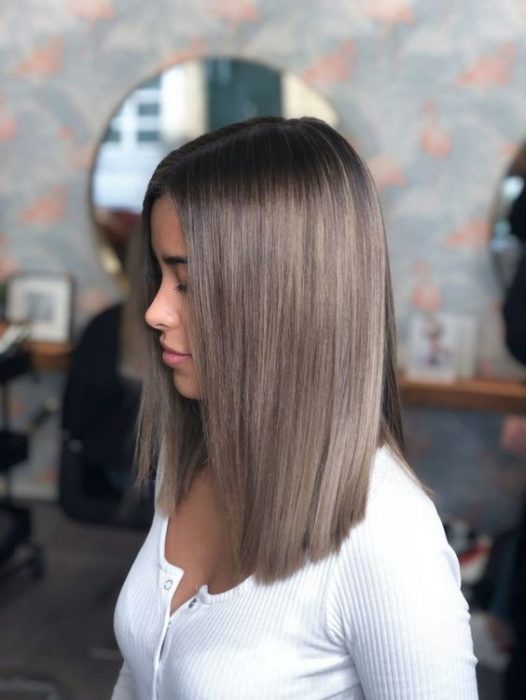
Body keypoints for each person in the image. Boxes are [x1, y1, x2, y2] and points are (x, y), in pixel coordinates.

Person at [111, 116, 478, 699]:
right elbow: (142, 669)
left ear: (283, 300)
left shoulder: (386, 538)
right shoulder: (199, 458)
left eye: (187, 282)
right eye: (159, 275)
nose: (155, 311)